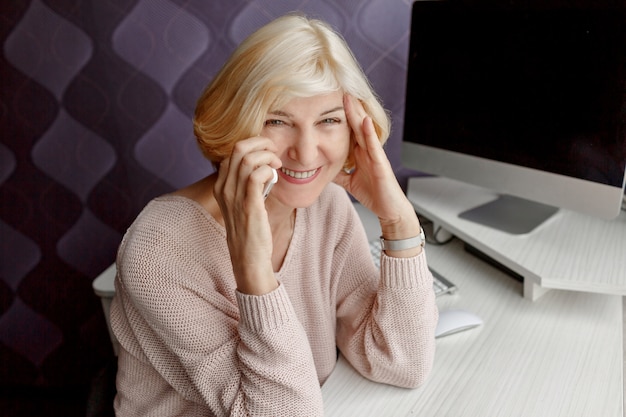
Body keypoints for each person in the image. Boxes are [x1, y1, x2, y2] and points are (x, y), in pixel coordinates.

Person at [110, 13, 438, 416]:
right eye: (277, 121)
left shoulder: (327, 207)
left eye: (329, 121)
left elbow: (399, 362)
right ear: (236, 123)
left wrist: (399, 223)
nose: (305, 151)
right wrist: (254, 270)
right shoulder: (158, 252)